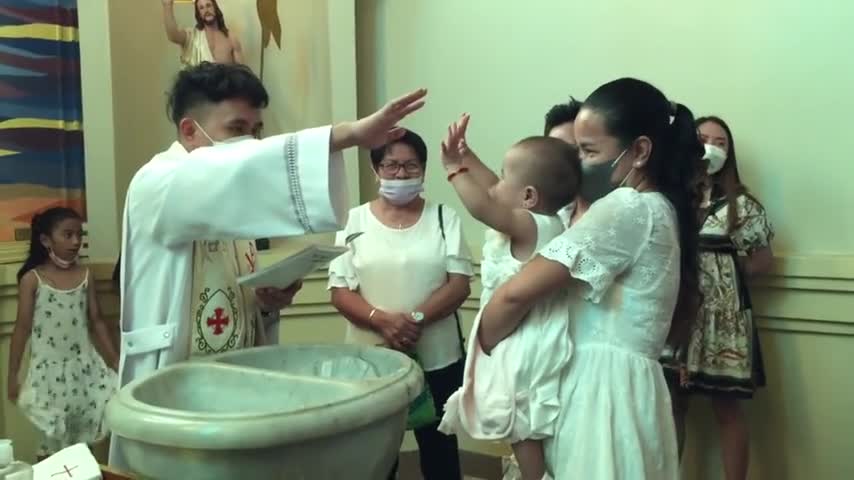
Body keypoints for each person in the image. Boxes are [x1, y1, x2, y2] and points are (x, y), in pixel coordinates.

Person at [109, 61, 427, 468]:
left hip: (234, 380)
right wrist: (346, 134)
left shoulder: (234, 201)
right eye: (237, 129)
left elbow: (227, 289)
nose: (251, 144)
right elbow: (235, 170)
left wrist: (265, 299)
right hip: (177, 383)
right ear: (190, 130)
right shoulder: (158, 181)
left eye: (256, 131)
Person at [478, 78, 705, 479]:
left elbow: (515, 296)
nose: (577, 165)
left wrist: (486, 345)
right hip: (626, 391)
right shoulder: (659, 208)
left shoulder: (627, 207)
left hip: (603, 395)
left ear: (639, 151)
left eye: (587, 151)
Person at [437, 114, 580, 480]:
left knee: (522, 421)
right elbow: (498, 189)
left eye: (504, 178)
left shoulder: (530, 223)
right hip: (527, 332)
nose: (495, 184)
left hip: (522, 338)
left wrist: (455, 170)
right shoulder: (543, 218)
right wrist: (468, 157)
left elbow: (485, 205)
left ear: (529, 197)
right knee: (525, 419)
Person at [327, 129, 472, 480]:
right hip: (373, 360)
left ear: (424, 169)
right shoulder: (354, 220)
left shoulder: (443, 217)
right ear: (375, 169)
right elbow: (340, 290)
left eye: (411, 165)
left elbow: (460, 284)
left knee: (440, 449)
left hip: (438, 356)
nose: (401, 174)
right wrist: (381, 320)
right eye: (391, 165)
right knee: (377, 451)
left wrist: (414, 319)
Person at [662, 116, 774, 480]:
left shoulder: (743, 206)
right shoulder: (670, 200)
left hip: (724, 323)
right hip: (676, 317)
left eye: (721, 142)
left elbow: (762, 260)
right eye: (703, 138)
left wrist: (722, 280)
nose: (712, 147)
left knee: (727, 408)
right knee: (672, 405)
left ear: (730, 153)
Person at [8, 208, 119, 459]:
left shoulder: (85, 275)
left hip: (84, 372)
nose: (76, 241)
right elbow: (22, 328)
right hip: (49, 376)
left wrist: (114, 359)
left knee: (84, 445)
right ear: (46, 240)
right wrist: (12, 375)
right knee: (51, 444)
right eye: (68, 235)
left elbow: (97, 321)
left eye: (79, 235)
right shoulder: (32, 279)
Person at [544, 97, 589, 227]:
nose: (560, 161)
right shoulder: (551, 215)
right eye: (553, 152)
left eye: (571, 151)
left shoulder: (618, 210)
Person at [162, 0, 244, 66]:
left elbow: (242, 75)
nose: (206, 10)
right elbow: (173, 36)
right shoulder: (192, 36)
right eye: (201, 8)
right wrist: (167, 5)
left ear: (215, 8)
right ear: (199, 15)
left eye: (208, 5)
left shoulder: (231, 39)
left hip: (224, 86)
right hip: (196, 86)